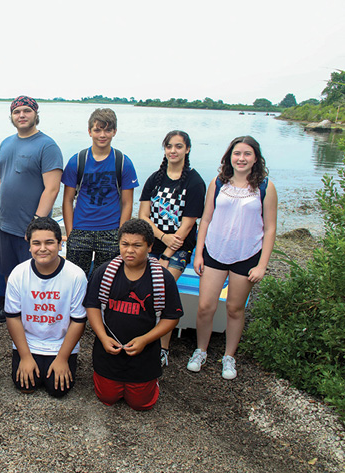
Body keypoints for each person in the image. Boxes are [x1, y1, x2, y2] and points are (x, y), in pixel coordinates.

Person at [187, 136, 277, 380]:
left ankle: (229, 356)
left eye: (247, 154)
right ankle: (201, 350)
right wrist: (199, 252)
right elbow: (205, 219)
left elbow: (270, 229)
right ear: (230, 156)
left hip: (247, 255)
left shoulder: (265, 187)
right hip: (215, 252)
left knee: (235, 309)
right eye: (237, 153)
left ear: (255, 158)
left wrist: (262, 265)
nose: (241, 158)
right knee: (206, 306)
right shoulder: (218, 183)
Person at [83, 218, 183, 411]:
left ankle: (151, 382)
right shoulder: (104, 272)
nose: (130, 250)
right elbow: (92, 306)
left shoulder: (163, 278)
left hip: (144, 353)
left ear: (149, 246)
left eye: (137, 245)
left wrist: (146, 339)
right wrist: (103, 337)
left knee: (141, 404)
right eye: (125, 244)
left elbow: (171, 317)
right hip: (109, 351)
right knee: (107, 398)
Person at [0, 96, 63, 321]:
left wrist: (37, 225)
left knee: (30, 271)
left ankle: (30, 308)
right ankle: (3, 306)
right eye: (17, 112)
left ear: (35, 114)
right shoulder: (6, 143)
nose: (21, 115)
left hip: (29, 225)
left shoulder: (47, 146)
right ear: (11, 116)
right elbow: (3, 177)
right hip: (5, 222)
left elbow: (51, 189)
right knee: (1, 268)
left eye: (26, 111)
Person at [138, 131, 205, 367]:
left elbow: (188, 223)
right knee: (143, 290)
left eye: (178, 146)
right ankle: (142, 337)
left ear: (187, 149)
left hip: (179, 247)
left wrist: (167, 251)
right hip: (154, 243)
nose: (173, 151)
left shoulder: (194, 182)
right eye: (169, 146)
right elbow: (143, 215)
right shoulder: (155, 179)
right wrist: (162, 236)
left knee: (163, 290)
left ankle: (163, 348)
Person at [4, 217, 87, 398]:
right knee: (24, 385)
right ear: (29, 246)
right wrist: (25, 357)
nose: (42, 248)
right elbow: (13, 317)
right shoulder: (18, 274)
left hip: (60, 344)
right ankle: (28, 358)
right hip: (29, 342)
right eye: (36, 243)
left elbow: (78, 321)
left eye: (49, 242)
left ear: (59, 244)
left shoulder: (76, 276)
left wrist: (63, 358)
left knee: (58, 390)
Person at [62, 108, 138, 277]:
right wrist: (70, 233)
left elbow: (127, 203)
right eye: (97, 130)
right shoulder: (77, 161)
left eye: (107, 130)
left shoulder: (123, 162)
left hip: (110, 230)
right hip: (81, 228)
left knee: (105, 280)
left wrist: (121, 234)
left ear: (114, 132)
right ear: (90, 132)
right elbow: (67, 200)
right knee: (76, 278)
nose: (102, 135)